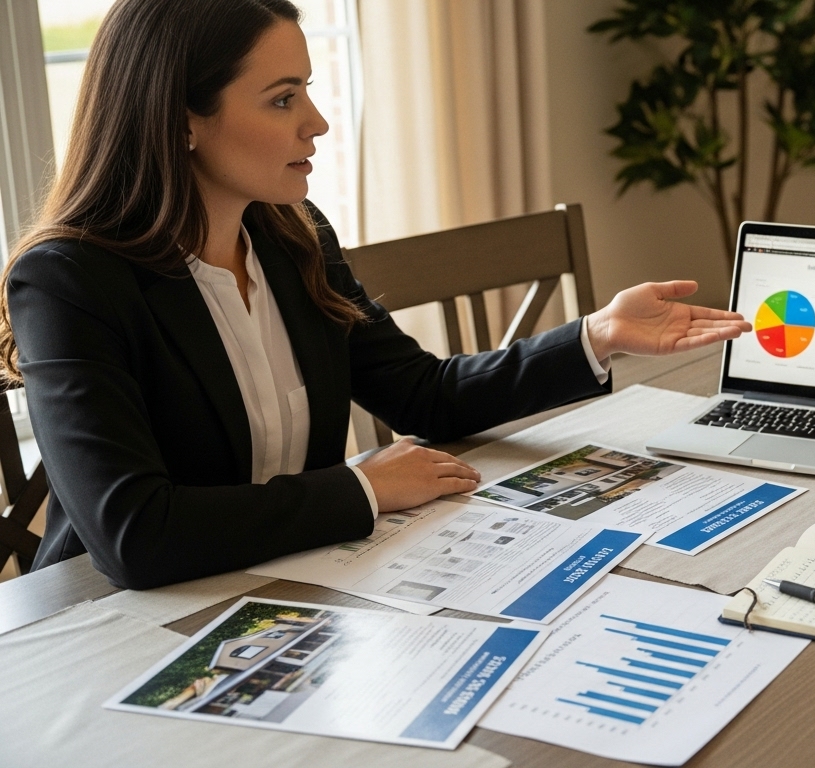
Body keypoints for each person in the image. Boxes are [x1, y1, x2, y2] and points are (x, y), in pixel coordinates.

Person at [0, 0, 749, 591]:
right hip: (109, 619)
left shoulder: (293, 236)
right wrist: (361, 490)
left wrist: (598, 333)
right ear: (181, 120)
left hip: (296, 581)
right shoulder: (70, 281)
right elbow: (135, 534)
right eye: (282, 98)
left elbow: (424, 395)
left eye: (309, 92)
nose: (317, 123)